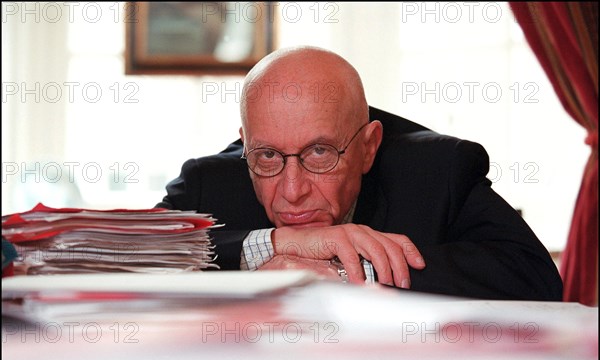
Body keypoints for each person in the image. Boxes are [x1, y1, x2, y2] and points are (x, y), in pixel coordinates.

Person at [157, 46, 563, 301]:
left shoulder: (437, 170)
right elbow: (115, 256)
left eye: (320, 153)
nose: (292, 191)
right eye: (266, 157)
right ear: (245, 144)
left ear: (368, 146)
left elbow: (531, 274)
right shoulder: (207, 182)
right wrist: (274, 244)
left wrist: (347, 270)